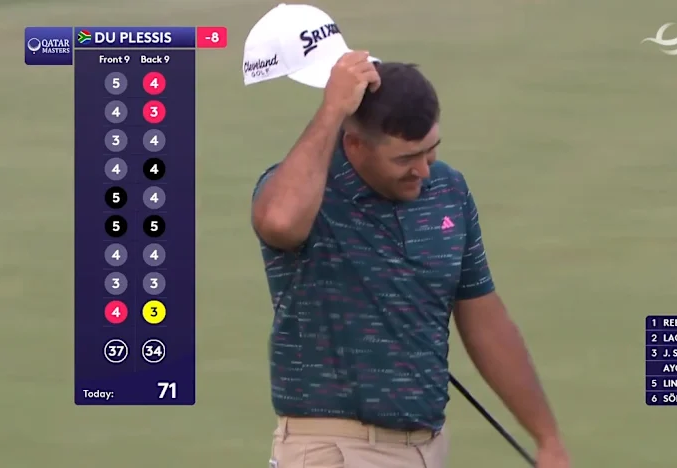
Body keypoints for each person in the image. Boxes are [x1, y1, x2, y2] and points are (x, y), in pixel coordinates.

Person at [244, 4, 571, 468]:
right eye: (404, 159)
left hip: (427, 447)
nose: (422, 170)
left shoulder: (449, 191)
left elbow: (485, 319)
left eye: (430, 151)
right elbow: (279, 221)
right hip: (332, 449)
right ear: (354, 143)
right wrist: (333, 109)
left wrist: (547, 438)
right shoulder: (306, 191)